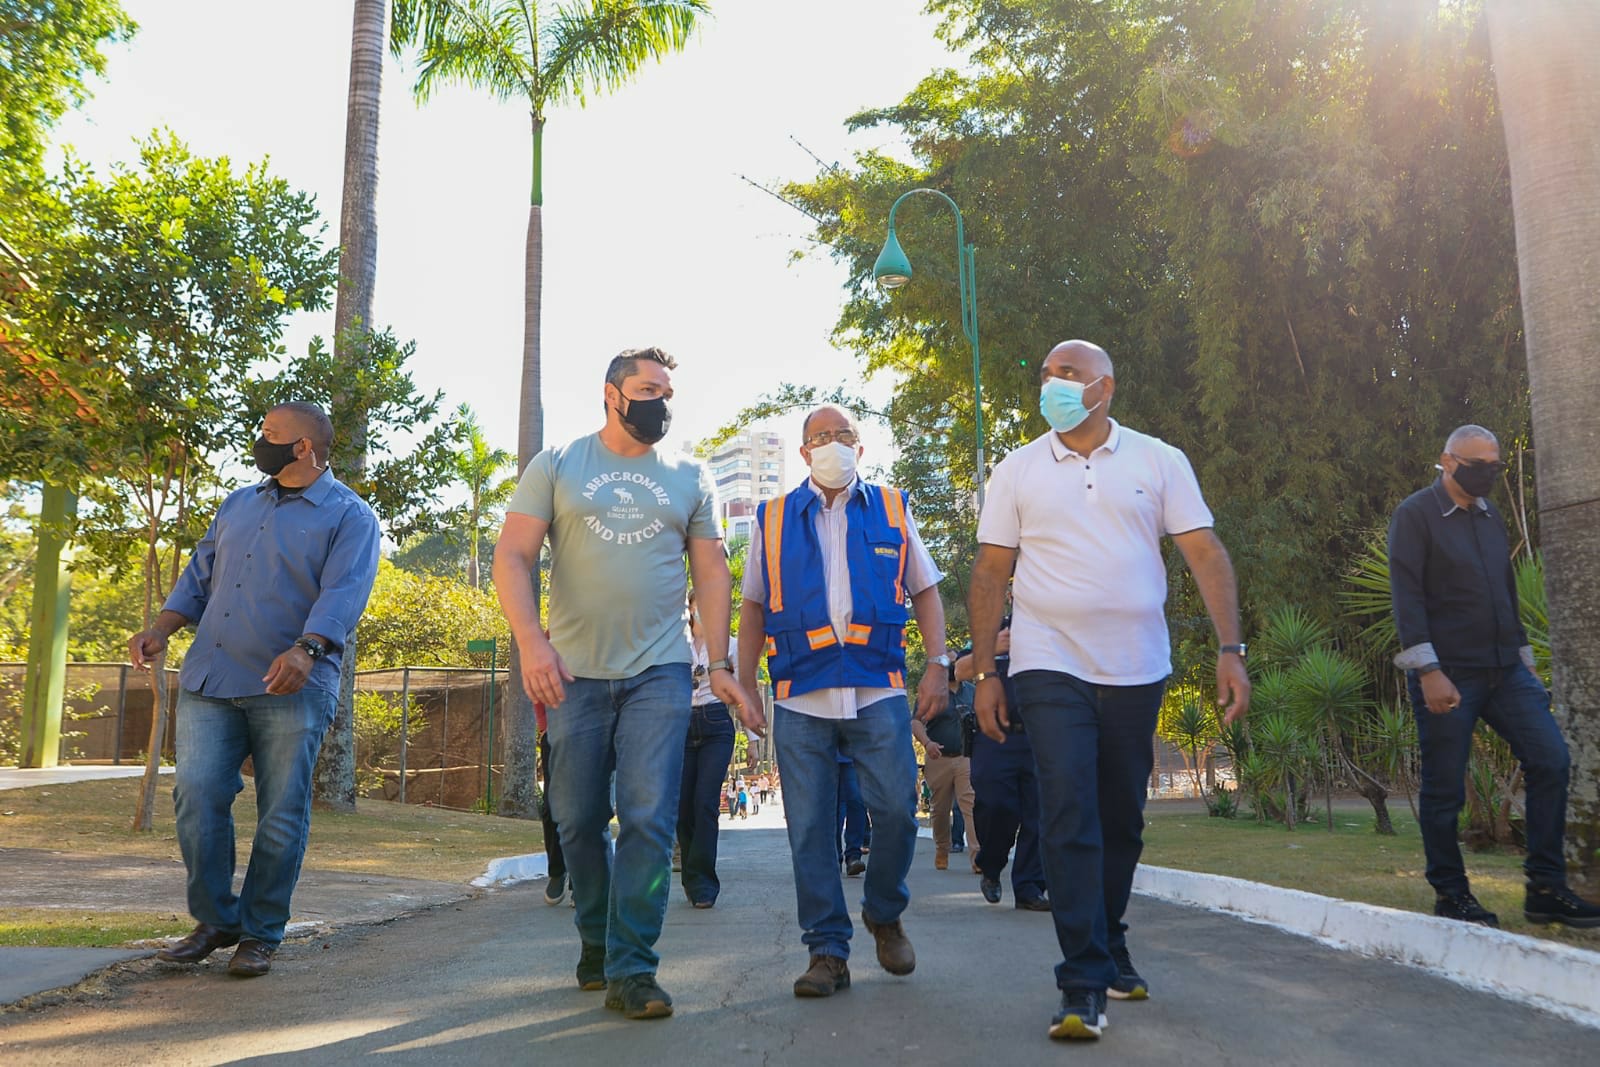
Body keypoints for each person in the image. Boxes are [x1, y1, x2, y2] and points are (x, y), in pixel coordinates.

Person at [969, 340, 1250, 1041]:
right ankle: (1082, 980)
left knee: (1121, 818)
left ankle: (1111, 940)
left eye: (1067, 373)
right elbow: (989, 572)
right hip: (1047, 662)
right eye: (1046, 373)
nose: (1052, 383)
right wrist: (983, 674)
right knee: (1067, 811)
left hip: (1136, 666)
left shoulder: (1159, 460)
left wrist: (1230, 649)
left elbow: (1204, 553)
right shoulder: (1018, 469)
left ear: (1106, 387)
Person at [493, 346, 756, 1021]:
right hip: (573, 673)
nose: (660, 402)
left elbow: (713, 575)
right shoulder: (557, 465)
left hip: (660, 672)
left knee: (645, 817)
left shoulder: (688, 476)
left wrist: (720, 664)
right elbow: (514, 556)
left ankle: (634, 965)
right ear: (611, 394)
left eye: (667, 391)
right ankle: (597, 938)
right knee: (577, 818)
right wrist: (531, 643)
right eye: (647, 388)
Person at [129, 402, 380, 978]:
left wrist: (308, 648)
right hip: (210, 679)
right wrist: (162, 629)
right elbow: (200, 573)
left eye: (271, 435)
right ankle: (217, 919)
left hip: (291, 685)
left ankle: (261, 932)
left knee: (282, 812)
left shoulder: (350, 516)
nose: (259, 442)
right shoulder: (239, 503)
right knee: (196, 794)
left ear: (303, 449)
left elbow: (345, 593)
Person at [738, 403, 950, 1000]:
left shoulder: (890, 506)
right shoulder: (773, 519)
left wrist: (937, 666)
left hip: (877, 687)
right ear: (803, 452)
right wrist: (747, 683)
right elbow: (753, 605)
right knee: (809, 831)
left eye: (843, 435)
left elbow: (926, 589)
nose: (833, 444)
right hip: (800, 695)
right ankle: (826, 952)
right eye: (820, 437)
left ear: (861, 446)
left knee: (897, 812)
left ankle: (884, 911)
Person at [1388, 425, 1600, 929]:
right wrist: (1430, 671)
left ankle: (1546, 889)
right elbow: (1408, 598)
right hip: (1449, 675)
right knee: (1445, 791)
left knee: (1551, 760)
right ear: (1446, 460)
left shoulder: (1490, 517)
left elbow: (1504, 588)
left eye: (1494, 465)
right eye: (1476, 463)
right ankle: (1451, 894)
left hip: (1507, 670)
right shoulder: (1415, 515)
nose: (1487, 473)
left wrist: (1524, 657)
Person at [957, 625, 1048, 911]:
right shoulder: (994, 630)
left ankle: (1029, 888)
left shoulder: (1052, 627)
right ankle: (991, 866)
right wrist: (991, 649)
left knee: (1040, 813)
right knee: (996, 806)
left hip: (1040, 734)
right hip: (993, 734)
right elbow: (958, 670)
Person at [678, 587, 738, 909]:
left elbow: (742, 690)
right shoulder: (677, 643)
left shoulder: (730, 644)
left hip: (716, 724)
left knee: (705, 803)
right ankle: (690, 874)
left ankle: (704, 883)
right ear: (689, 608)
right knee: (683, 807)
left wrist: (754, 744)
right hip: (682, 727)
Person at [911, 670, 979, 872]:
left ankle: (977, 858)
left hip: (965, 757)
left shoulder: (973, 692)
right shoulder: (931, 692)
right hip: (938, 758)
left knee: (971, 805)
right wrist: (927, 743)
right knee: (940, 810)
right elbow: (916, 721)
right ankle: (942, 848)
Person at [838, 756, 868, 877]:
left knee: (857, 801)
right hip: (827, 754)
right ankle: (833, 858)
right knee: (833, 807)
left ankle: (853, 856)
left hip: (853, 753)